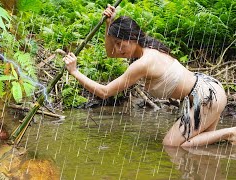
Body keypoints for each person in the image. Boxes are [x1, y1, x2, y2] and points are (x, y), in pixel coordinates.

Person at [63, 5, 234, 147]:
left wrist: (75, 72)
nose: (118, 49)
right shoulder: (147, 47)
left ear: (131, 38)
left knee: (172, 145)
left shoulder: (143, 63)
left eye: (120, 43)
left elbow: (105, 92)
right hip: (208, 89)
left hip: (205, 97)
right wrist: (110, 24)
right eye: (115, 43)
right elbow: (111, 53)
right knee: (201, 150)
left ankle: (231, 132)